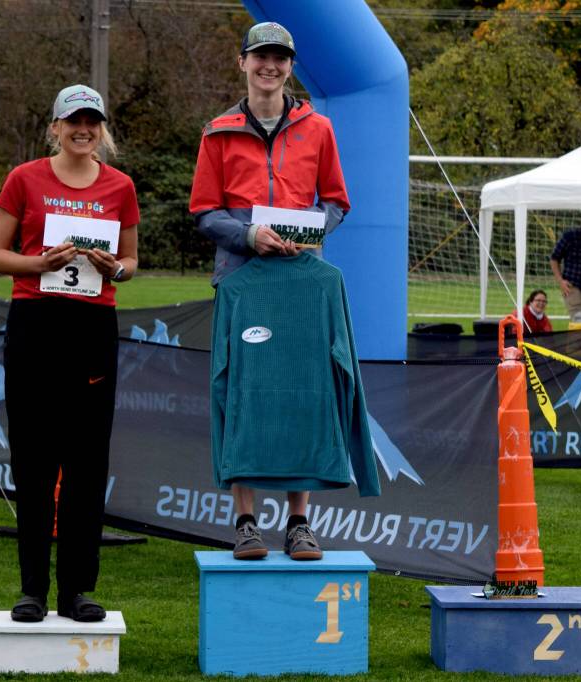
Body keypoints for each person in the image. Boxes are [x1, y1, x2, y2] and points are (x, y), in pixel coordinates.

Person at [189, 22, 369, 562]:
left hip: (301, 280)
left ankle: (298, 523)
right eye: (261, 56)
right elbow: (204, 212)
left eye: (280, 58)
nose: (270, 66)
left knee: (305, 396)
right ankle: (245, 522)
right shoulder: (217, 132)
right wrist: (248, 235)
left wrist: (311, 229)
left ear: (291, 67)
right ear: (243, 62)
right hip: (241, 279)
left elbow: (336, 201)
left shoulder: (319, 128)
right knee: (242, 393)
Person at [0, 84, 139, 623]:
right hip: (36, 325)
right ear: (55, 127)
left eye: (93, 121)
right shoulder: (24, 178)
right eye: (74, 121)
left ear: (101, 129)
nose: (83, 129)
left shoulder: (120, 186)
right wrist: (40, 264)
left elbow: (131, 261)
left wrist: (115, 268)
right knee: (33, 462)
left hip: (92, 328)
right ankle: (32, 589)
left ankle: (78, 590)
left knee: (86, 466)